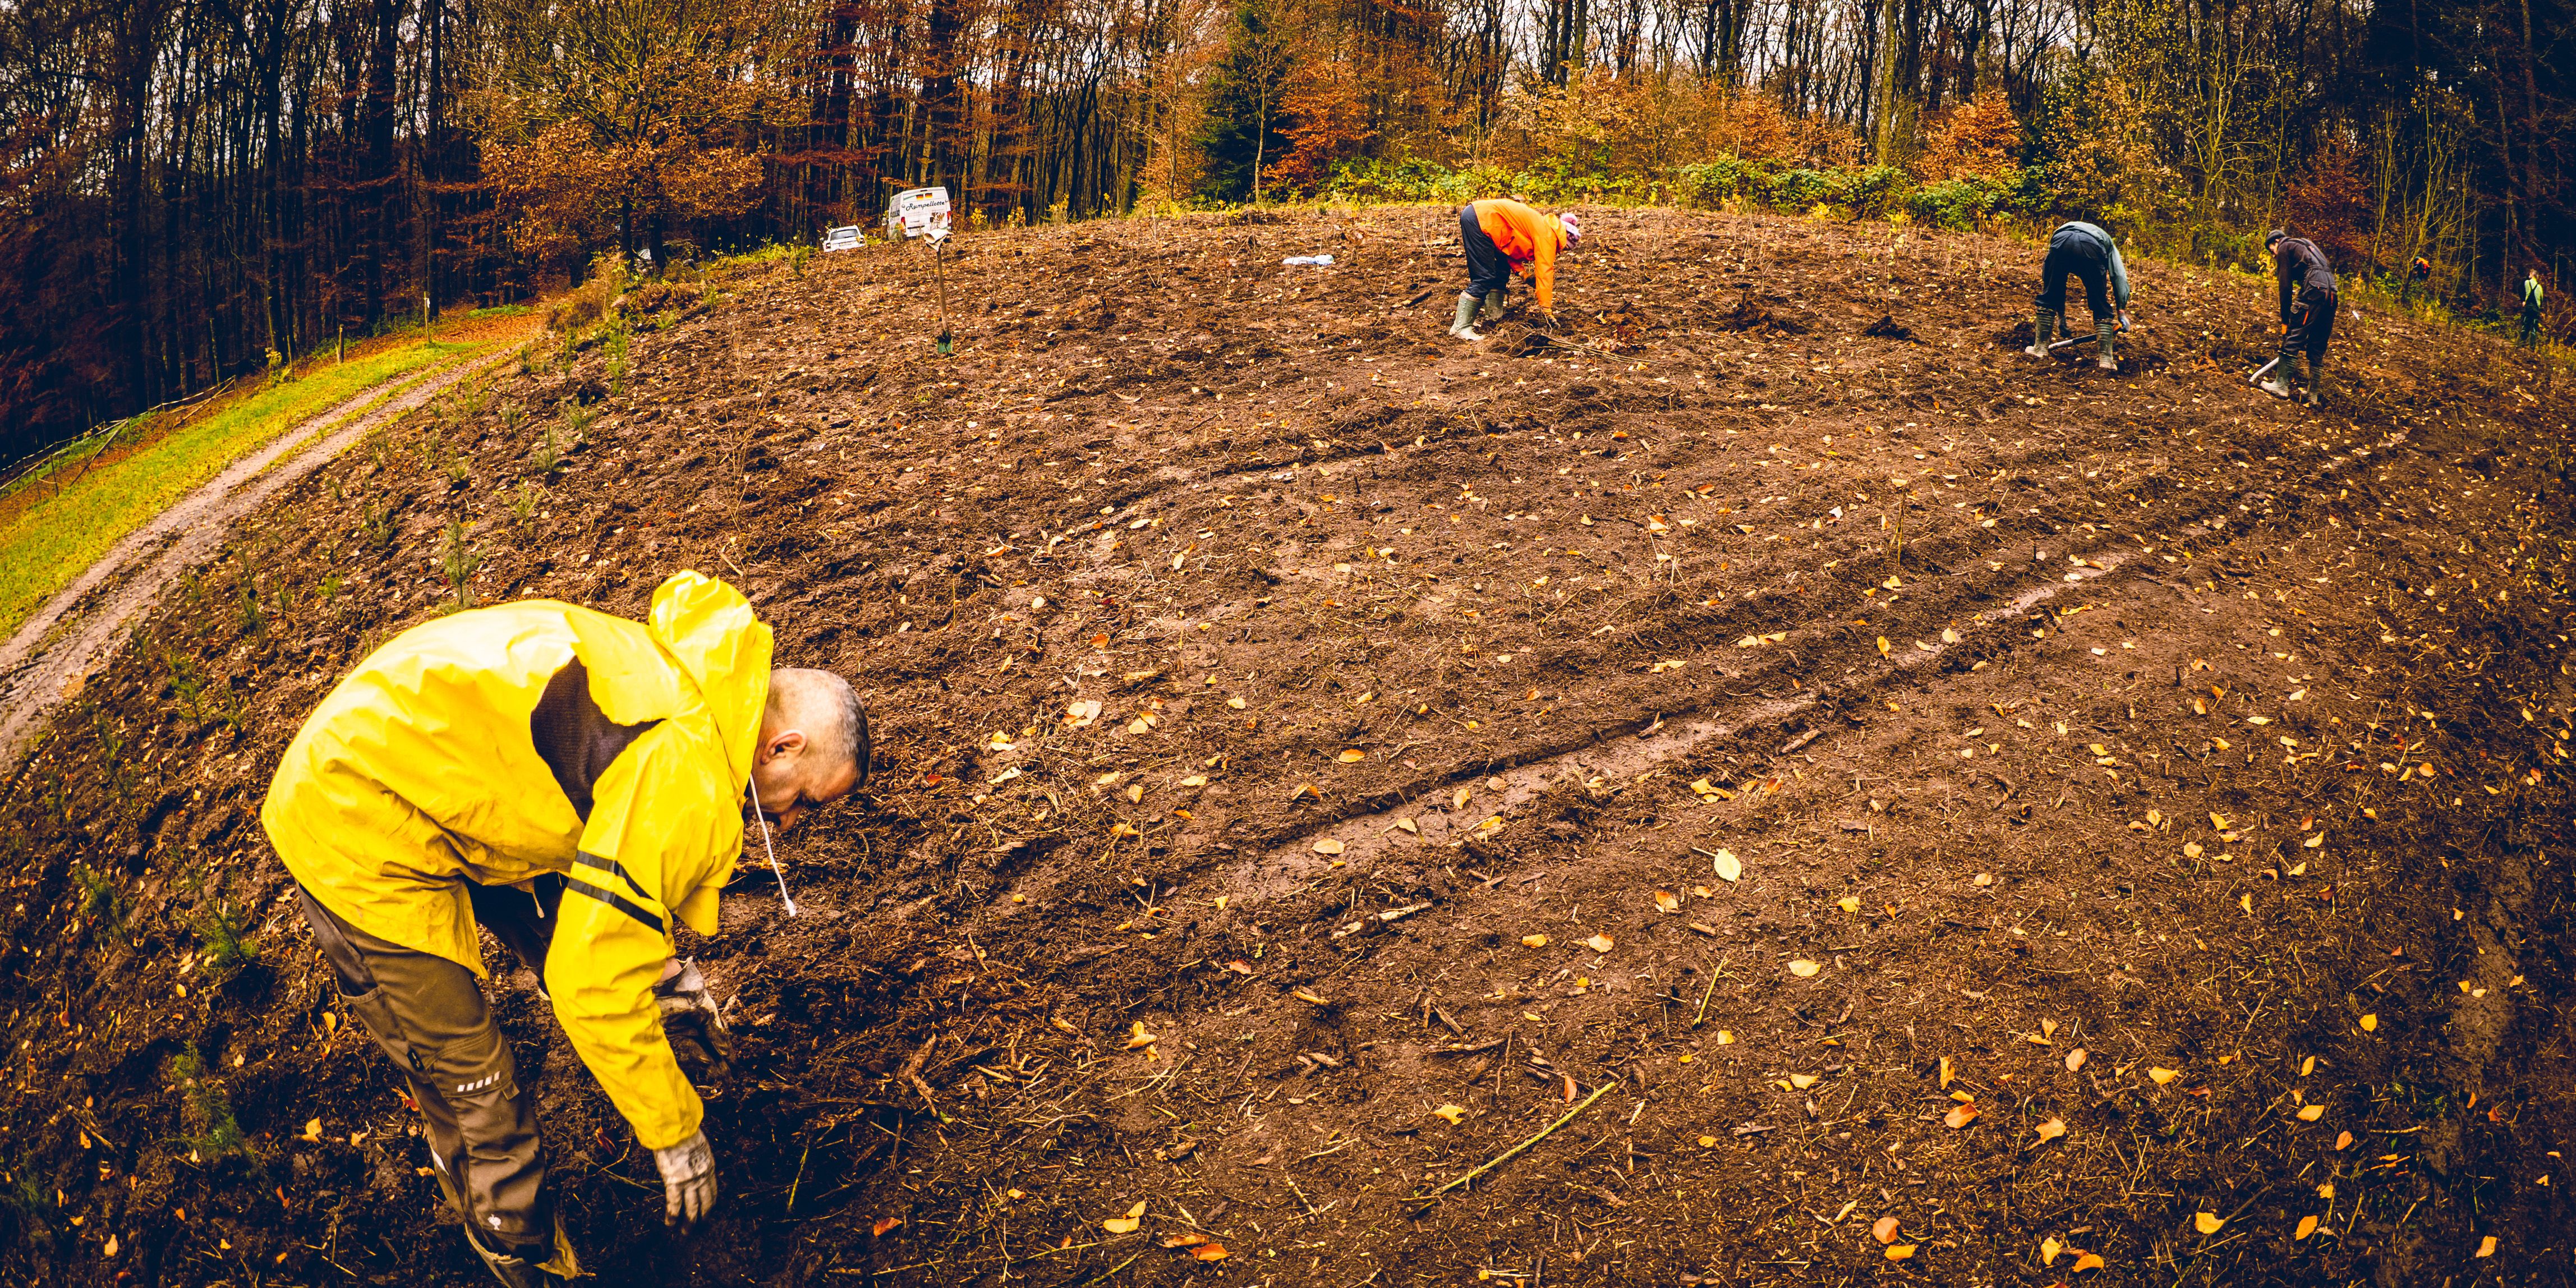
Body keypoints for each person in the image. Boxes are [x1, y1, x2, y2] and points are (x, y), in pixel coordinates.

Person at [260, 571, 869, 1286]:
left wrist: (659, 976)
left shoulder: (700, 679)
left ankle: (653, 1046)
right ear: (782, 747)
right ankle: (521, 1255)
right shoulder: (687, 776)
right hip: (355, 812)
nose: (791, 825)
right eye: (804, 802)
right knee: (476, 1087)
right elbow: (590, 984)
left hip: (435, 767)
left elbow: (608, 850)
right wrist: (675, 1136)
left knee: (607, 955)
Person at [1451, 199, 1583, 341]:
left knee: (1501, 271)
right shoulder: (1548, 235)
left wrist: (1523, 275)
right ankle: (1461, 328)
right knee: (1484, 277)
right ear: (1566, 238)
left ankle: (1493, 319)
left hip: (1483, 218)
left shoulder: (1545, 228)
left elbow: (1509, 248)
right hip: (1481, 219)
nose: (1563, 251)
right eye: (1567, 248)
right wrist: (1547, 311)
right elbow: (1545, 272)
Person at [2024, 219, 2131, 371]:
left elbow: (2053, 285)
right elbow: (2119, 276)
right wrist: (2121, 311)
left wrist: (2060, 314)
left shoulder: (2064, 229)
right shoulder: (2107, 242)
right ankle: (2106, 360)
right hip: (2091, 247)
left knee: (2048, 296)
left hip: (2061, 241)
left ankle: (2040, 349)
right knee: (2100, 303)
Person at [2260, 228, 2338, 406]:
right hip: (2332, 294)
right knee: (2318, 343)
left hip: (2313, 291)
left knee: (2293, 336)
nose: (2274, 256)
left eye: (2272, 251)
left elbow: (2285, 288)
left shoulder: (2284, 248)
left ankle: (2281, 386)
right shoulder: (2306, 245)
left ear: (2276, 243)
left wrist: (2285, 321)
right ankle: (2313, 395)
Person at [2522, 268, 2547, 349]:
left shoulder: (2527, 282)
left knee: (2526, 324)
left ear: (2532, 275)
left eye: (2530, 274)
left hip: (2528, 306)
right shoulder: (2540, 287)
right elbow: (2541, 299)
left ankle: (2522, 342)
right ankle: (2532, 346)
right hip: (2536, 309)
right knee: (2534, 327)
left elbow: (2523, 289)